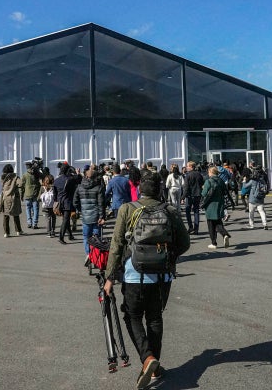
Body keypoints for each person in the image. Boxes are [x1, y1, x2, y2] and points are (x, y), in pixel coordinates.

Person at [103, 173, 190, 389]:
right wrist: (168, 257)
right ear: (160, 189)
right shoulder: (169, 210)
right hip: (162, 275)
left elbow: (116, 245)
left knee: (132, 315)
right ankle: (154, 368)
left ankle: (147, 358)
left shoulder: (128, 209)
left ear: (140, 188)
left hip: (134, 274)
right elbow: (185, 242)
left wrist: (109, 277)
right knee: (154, 318)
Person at [73, 168, 106, 263]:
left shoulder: (79, 187)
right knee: (96, 237)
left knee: (86, 236)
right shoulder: (98, 188)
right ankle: (95, 254)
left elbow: (75, 202)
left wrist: (81, 209)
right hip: (96, 217)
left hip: (85, 216)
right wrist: (102, 217)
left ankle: (88, 253)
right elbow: (101, 204)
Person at [201, 166, 232, 249]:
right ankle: (225, 234)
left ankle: (214, 243)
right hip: (220, 204)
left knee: (211, 224)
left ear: (211, 172)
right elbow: (225, 191)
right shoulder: (221, 181)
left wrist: (203, 188)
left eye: (209, 172)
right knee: (218, 222)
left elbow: (204, 194)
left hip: (210, 205)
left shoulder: (208, 181)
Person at [53, 163, 79, 244]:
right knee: (65, 220)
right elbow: (78, 180)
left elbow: (55, 194)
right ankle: (61, 237)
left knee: (66, 219)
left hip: (59, 202)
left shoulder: (56, 180)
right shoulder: (69, 179)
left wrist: (56, 201)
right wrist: (76, 173)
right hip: (67, 201)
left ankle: (70, 235)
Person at [0, 164, 24, 238]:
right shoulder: (16, 177)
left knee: (6, 216)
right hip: (14, 198)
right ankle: (18, 231)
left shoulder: (3, 177)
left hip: (5, 198)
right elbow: (21, 184)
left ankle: (6, 233)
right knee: (16, 215)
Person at [181, 161, 204, 234]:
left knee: (188, 211)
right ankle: (196, 229)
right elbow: (202, 184)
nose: (186, 167)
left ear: (191, 167)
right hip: (197, 194)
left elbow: (186, 187)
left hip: (190, 195)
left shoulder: (188, 175)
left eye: (188, 166)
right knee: (196, 211)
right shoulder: (199, 174)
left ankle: (190, 227)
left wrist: (182, 197)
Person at [244, 164, 269, 230]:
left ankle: (251, 224)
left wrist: (244, 181)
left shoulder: (253, 181)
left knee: (251, 212)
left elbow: (245, 186)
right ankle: (265, 224)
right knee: (261, 211)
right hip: (260, 198)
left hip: (252, 199)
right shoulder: (263, 181)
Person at [21, 161, 42, 229]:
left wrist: (21, 195)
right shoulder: (36, 174)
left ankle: (29, 223)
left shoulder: (24, 175)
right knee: (36, 209)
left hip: (27, 194)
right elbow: (42, 179)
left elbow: (21, 186)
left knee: (28, 208)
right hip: (35, 194)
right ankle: (35, 223)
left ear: (27, 167)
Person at [40, 174, 57, 238]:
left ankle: (48, 232)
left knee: (48, 219)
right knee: (53, 218)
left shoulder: (42, 187)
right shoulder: (54, 187)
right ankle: (53, 231)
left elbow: (40, 197)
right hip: (53, 205)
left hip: (46, 206)